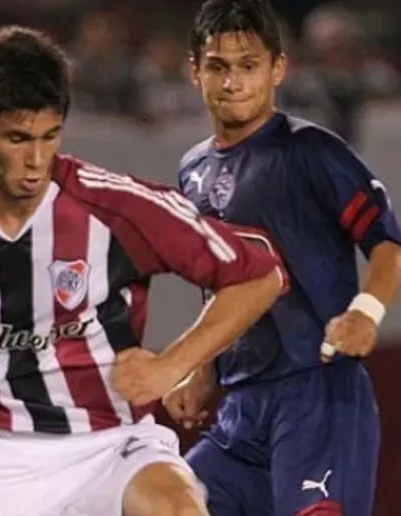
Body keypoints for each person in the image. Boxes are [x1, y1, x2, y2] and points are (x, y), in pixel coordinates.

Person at [0, 25, 286, 516]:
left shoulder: (115, 207)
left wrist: (174, 363)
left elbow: (258, 276)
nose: (37, 161)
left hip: (111, 445)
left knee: (177, 508)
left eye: (50, 136)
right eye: (18, 139)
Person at [166, 1, 401, 514]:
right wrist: (203, 366)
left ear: (278, 68)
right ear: (194, 71)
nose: (233, 82)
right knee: (160, 503)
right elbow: (222, 284)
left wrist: (366, 312)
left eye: (248, 65)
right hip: (239, 413)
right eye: (218, 66)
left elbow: (388, 245)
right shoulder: (192, 171)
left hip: (317, 395)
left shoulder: (314, 151)